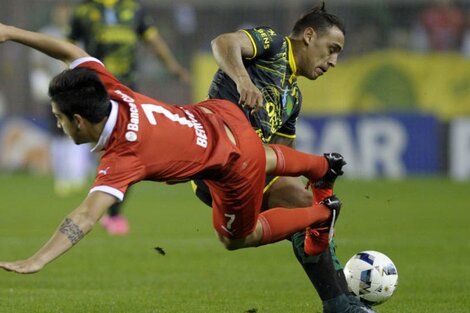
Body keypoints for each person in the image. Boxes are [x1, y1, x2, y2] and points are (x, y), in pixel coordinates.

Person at [0, 24, 345, 283]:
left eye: (60, 119)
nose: (58, 125)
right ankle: (322, 165)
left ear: (78, 120)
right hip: (219, 114)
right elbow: (69, 51)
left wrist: (38, 260)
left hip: (234, 163)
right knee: (263, 152)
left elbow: (86, 216)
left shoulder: (123, 157)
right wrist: (11, 32)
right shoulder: (110, 90)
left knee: (239, 237)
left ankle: (320, 214)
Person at [193, 4, 375, 313]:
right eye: (331, 49)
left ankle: (341, 301)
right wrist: (242, 80)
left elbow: (280, 157)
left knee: (310, 207)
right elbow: (223, 42)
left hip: (249, 171)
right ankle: (341, 302)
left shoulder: (294, 97)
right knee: (306, 208)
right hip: (218, 164)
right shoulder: (274, 45)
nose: (333, 62)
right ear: (308, 35)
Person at [68, 0, 192, 234]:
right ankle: (103, 207)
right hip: (94, 90)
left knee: (127, 149)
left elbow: (154, 41)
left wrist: (173, 66)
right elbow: (69, 46)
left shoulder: (134, 10)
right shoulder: (84, 11)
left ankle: (112, 213)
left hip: (126, 92)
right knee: (109, 151)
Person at [30, 2, 93, 196]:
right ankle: (62, 176)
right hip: (55, 92)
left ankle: (78, 175)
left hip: (75, 91)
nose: (62, 16)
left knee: (81, 130)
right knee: (57, 133)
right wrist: (39, 82)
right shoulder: (46, 33)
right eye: (60, 13)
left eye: (66, 13)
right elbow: (38, 63)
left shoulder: (80, 36)